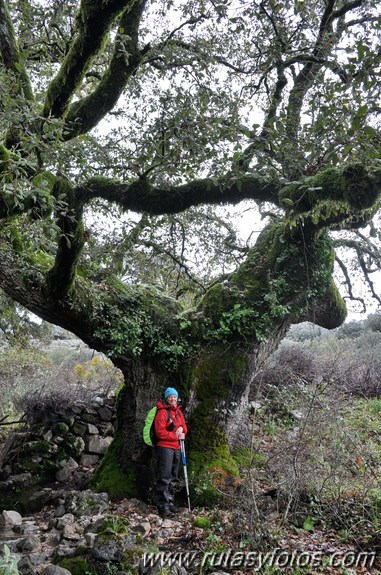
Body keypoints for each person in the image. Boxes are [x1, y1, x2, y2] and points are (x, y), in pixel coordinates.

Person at [154, 387, 187, 518]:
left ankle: (170, 501)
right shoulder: (162, 413)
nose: (173, 399)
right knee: (164, 476)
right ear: (166, 399)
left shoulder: (178, 413)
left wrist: (181, 429)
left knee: (173, 476)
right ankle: (162, 505)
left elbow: (184, 426)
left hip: (177, 448)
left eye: (174, 397)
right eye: (170, 397)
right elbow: (160, 432)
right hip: (165, 448)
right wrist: (176, 436)